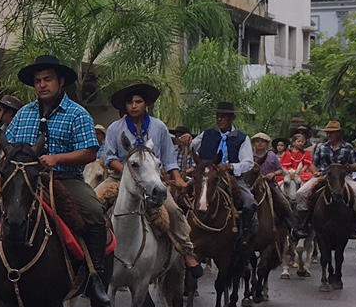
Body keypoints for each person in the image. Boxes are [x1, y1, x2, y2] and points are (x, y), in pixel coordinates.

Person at [4, 53, 110, 305]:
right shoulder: (23, 114)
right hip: (24, 180)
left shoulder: (77, 114)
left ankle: (95, 278)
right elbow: (7, 146)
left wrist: (57, 159)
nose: (42, 85)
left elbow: (89, 152)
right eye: (38, 80)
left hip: (65, 180)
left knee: (94, 212)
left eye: (47, 79)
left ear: (60, 82)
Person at [95, 81, 199, 269]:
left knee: (174, 211)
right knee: (94, 203)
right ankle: (92, 256)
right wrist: (129, 172)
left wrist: (177, 178)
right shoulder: (115, 128)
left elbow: (168, 159)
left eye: (138, 101)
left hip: (152, 180)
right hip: (119, 178)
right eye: (130, 103)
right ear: (125, 106)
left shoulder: (159, 128)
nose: (134, 106)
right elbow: (110, 158)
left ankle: (187, 252)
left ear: (146, 104)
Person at [194, 101, 258, 260]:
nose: (220, 119)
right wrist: (186, 141)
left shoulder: (242, 138)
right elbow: (192, 146)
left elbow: (248, 162)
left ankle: (243, 235)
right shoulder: (206, 134)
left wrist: (231, 166)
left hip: (232, 176)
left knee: (250, 202)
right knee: (181, 195)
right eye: (218, 116)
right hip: (207, 175)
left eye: (224, 116)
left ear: (232, 118)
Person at [303, 120, 356, 217]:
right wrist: (315, 172)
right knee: (301, 193)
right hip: (323, 175)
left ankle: (355, 225)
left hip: (344, 178)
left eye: (331, 133)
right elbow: (313, 164)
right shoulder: (322, 147)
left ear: (339, 133)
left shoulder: (348, 147)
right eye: (327, 132)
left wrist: (347, 166)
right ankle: (303, 223)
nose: (328, 135)